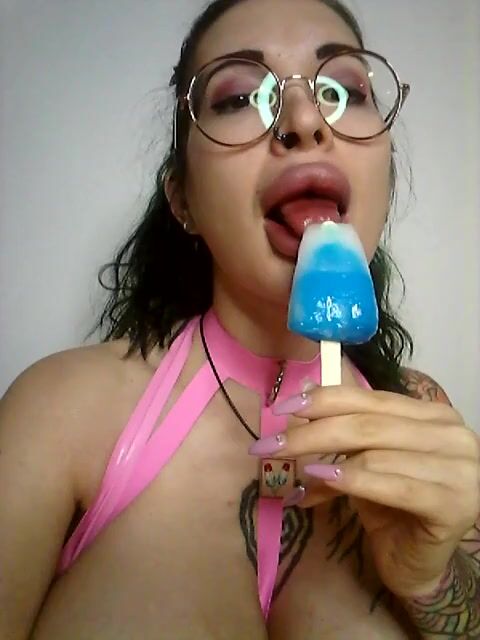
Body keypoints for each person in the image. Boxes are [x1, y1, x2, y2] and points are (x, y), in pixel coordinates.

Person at [1, 0, 479, 638]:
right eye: (240, 98)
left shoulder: (420, 411)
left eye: (342, 90)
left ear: (384, 178)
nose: (304, 120)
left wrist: (431, 579)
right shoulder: (61, 407)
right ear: (183, 201)